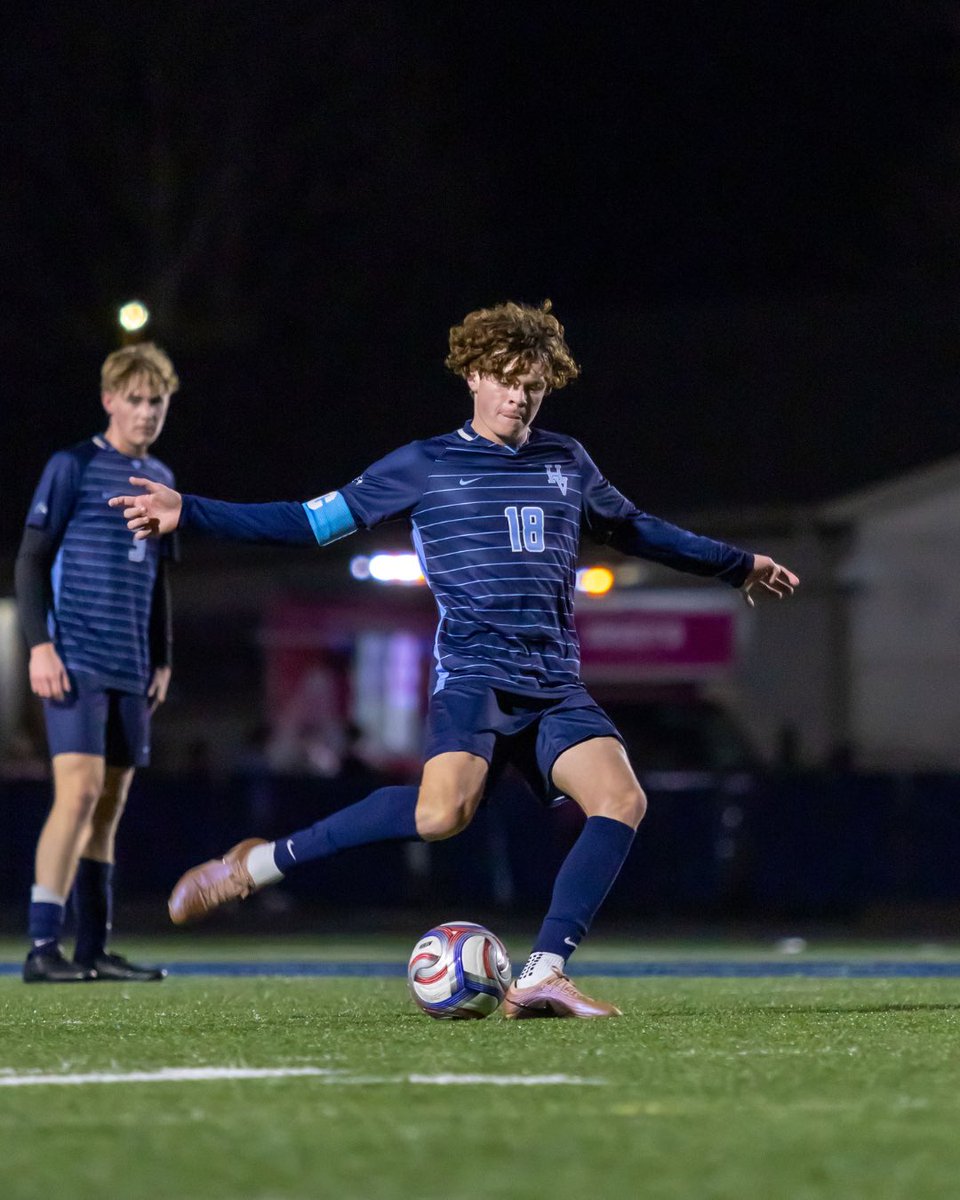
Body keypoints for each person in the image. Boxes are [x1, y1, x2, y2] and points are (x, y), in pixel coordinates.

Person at [111, 301, 798, 1017]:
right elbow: (311, 523)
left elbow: (640, 530)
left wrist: (735, 566)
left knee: (622, 798)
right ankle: (253, 865)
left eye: (533, 382)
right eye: (504, 378)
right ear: (472, 375)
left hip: (555, 682)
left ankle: (540, 973)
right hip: (475, 674)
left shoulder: (567, 460)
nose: (518, 395)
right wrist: (192, 509)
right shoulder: (424, 464)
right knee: (443, 817)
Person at [16, 342, 179, 983]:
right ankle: (40, 948)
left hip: (130, 666)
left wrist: (162, 659)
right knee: (78, 792)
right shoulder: (73, 465)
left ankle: (93, 949)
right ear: (110, 400)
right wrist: (39, 644)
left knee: (108, 804)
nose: (145, 412)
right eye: (134, 400)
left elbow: (161, 579)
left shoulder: (161, 477)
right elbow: (30, 560)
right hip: (75, 657)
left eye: (156, 401)